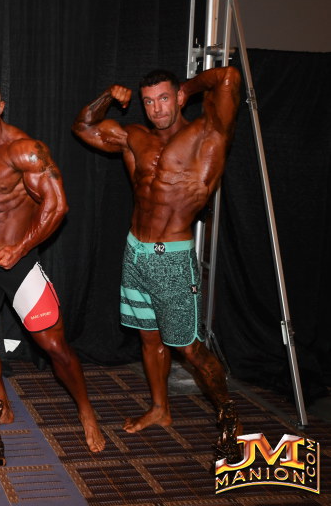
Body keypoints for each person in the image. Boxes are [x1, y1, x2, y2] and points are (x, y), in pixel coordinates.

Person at [0, 74, 105, 452]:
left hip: (20, 263)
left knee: (54, 345)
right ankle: (3, 405)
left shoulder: (26, 150)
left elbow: (57, 205)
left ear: (1, 107)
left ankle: (86, 411)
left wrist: (22, 246)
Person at [71, 66, 241, 449]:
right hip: (136, 252)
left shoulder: (208, 134)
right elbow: (83, 127)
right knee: (149, 340)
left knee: (189, 348)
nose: (156, 108)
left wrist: (187, 88)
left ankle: (227, 412)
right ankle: (160, 408)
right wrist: (108, 97)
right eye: (148, 101)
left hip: (172, 258)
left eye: (164, 98)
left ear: (179, 98)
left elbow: (229, 76)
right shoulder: (135, 136)